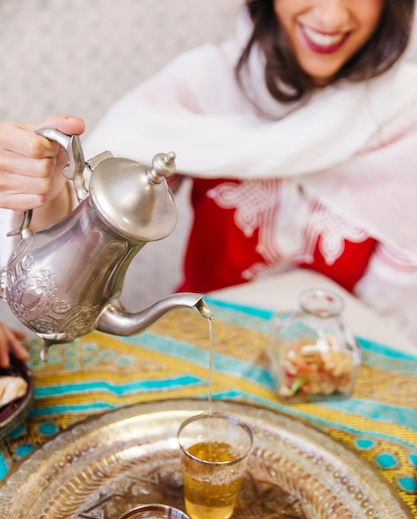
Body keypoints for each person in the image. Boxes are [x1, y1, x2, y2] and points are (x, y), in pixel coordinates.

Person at [1, 0, 417, 367]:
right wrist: (47, 187)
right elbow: (85, 213)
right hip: (204, 342)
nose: (330, 15)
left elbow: (389, 314)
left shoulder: (405, 116)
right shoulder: (205, 86)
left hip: (332, 361)